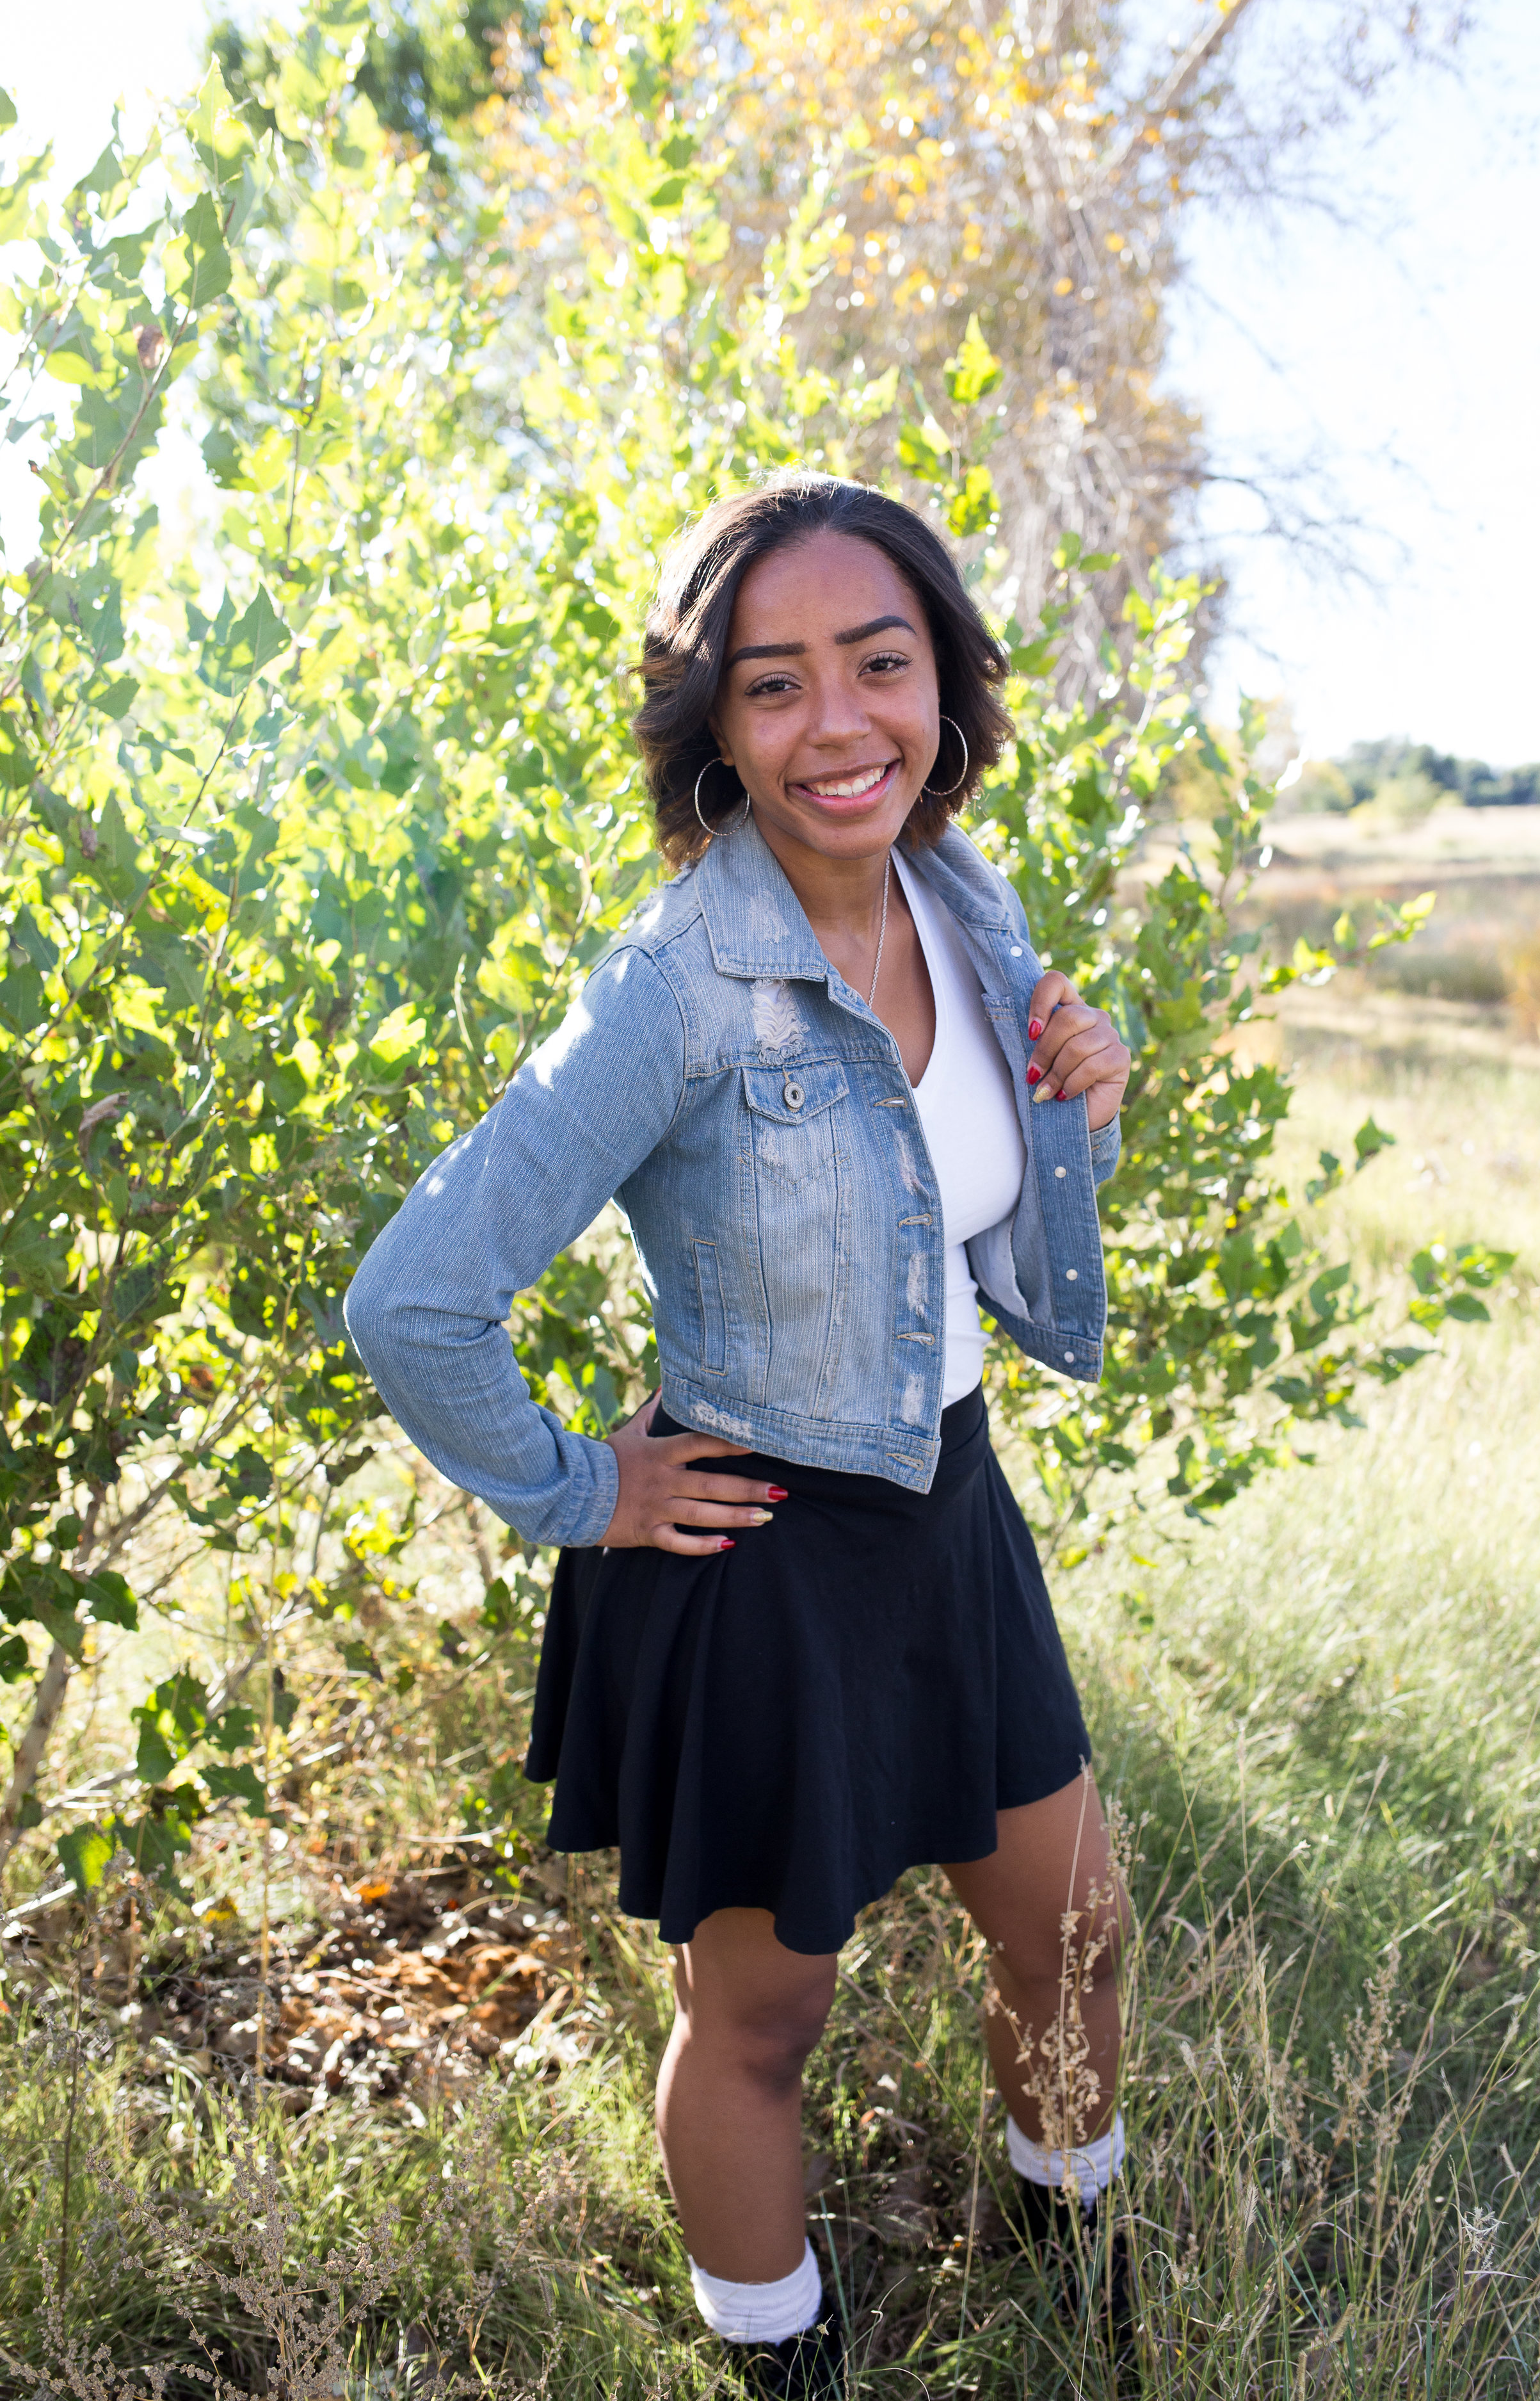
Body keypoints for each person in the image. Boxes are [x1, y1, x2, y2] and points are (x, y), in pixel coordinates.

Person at [344, 473, 1134, 2396]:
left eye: (878, 664)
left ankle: (1056, 2243)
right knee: (766, 2018)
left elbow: (957, 1208)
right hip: (759, 1550)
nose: (835, 723)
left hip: (949, 1511)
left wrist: (1077, 1106)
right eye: (771, 686)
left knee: (1081, 1931)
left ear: (943, 679)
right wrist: (576, 1488)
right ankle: (781, 2358)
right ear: (715, 726)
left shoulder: (964, 899)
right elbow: (411, 1297)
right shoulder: (671, 985)